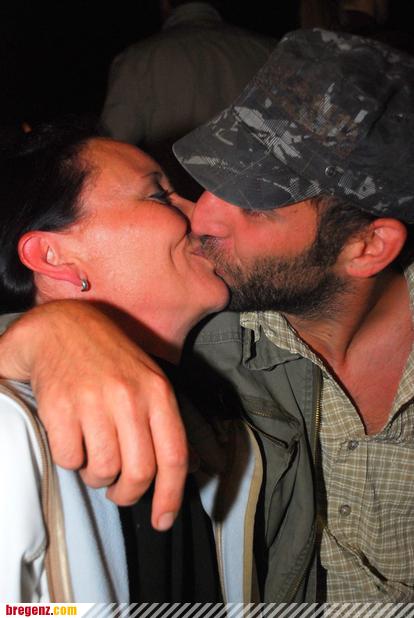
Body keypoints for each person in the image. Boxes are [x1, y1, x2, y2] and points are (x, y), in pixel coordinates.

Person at [1, 28, 414, 601]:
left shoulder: (224, 349)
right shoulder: (217, 331)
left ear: (368, 247)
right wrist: (51, 331)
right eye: (210, 180)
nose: (202, 215)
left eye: (259, 205)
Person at [0, 119, 231, 601]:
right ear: (54, 256)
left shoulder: (226, 419)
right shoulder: (11, 432)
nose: (201, 213)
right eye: (159, 196)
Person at [100, 0, 275, 198]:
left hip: (182, 196)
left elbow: (110, 147)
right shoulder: (268, 50)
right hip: (262, 194)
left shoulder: (139, 58)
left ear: (165, 4)